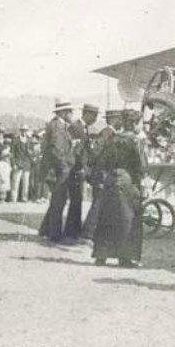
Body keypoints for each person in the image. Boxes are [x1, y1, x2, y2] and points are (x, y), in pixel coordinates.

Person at [92, 109, 146, 267]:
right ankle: (126, 257)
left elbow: (100, 161)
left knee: (107, 218)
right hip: (128, 181)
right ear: (135, 123)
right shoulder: (135, 141)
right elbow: (142, 166)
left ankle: (101, 255)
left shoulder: (112, 139)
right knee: (128, 219)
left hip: (110, 180)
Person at [81, 109, 122, 242]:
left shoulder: (107, 132)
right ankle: (89, 233)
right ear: (113, 120)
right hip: (101, 174)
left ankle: (90, 231)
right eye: (119, 118)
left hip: (100, 173)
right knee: (98, 203)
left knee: (99, 203)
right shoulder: (107, 133)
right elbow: (97, 152)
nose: (121, 121)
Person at [38, 99, 75, 243]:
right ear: (63, 112)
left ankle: (46, 229)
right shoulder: (57, 127)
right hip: (56, 170)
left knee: (57, 200)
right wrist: (64, 166)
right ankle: (54, 234)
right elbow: (55, 150)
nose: (71, 114)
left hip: (56, 169)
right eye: (70, 111)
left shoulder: (59, 125)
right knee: (58, 200)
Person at [66, 104, 99, 240]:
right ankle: (72, 231)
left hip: (79, 167)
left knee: (77, 200)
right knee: (76, 199)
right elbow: (76, 150)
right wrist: (81, 166)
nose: (95, 119)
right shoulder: (76, 127)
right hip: (75, 168)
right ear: (87, 114)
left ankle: (74, 230)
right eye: (94, 116)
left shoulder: (83, 128)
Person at [10, 125, 32, 202]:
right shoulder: (15, 140)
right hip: (18, 163)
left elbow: (32, 153)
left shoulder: (29, 140)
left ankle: (24, 198)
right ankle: (13, 199)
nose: (24, 132)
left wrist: (30, 153)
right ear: (20, 131)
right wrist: (14, 164)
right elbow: (12, 153)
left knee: (26, 183)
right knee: (15, 182)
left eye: (25, 130)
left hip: (26, 164)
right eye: (23, 130)